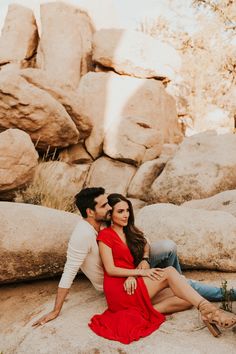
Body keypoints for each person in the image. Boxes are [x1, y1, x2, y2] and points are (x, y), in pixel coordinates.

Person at [32, 187, 235, 328]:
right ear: (90, 211)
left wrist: (142, 262)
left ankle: (149, 307)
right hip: (116, 286)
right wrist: (55, 310)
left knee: (184, 295)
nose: (110, 208)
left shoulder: (104, 224)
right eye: (105, 206)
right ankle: (215, 304)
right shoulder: (85, 234)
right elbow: (71, 272)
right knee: (177, 280)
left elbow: (141, 241)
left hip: (130, 275)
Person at [89, 193, 236, 343]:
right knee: (171, 273)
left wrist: (144, 260)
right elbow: (110, 269)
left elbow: (145, 244)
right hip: (119, 289)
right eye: (120, 211)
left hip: (133, 280)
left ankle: (145, 312)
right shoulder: (105, 235)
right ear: (110, 214)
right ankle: (211, 311)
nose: (126, 215)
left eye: (127, 210)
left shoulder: (129, 231)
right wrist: (141, 272)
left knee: (186, 299)